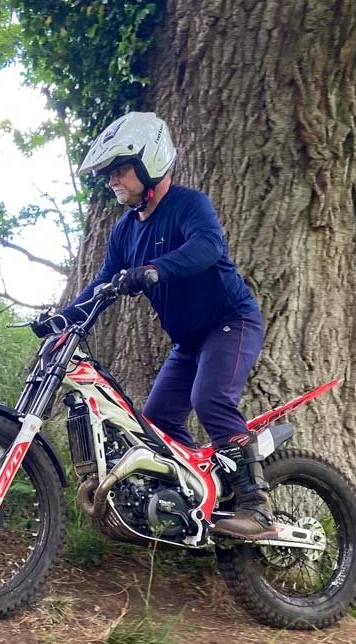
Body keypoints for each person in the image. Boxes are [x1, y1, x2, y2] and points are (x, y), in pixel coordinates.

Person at [35, 111, 275, 541]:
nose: (113, 180)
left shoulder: (188, 205)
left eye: (120, 169)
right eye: (109, 173)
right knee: (157, 422)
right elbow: (101, 284)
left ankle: (256, 507)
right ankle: (195, 501)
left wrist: (154, 270)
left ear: (150, 163)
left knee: (210, 398)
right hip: (188, 342)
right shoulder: (124, 232)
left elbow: (207, 247)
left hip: (231, 322)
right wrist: (62, 318)